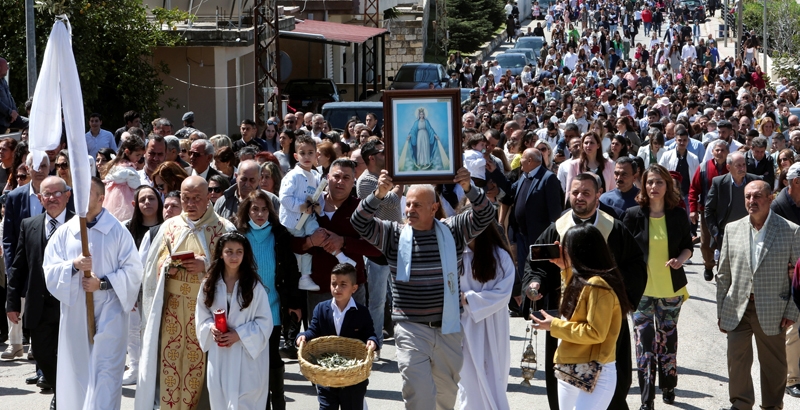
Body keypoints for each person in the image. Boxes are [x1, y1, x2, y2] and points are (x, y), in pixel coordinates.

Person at [351, 167, 496, 410]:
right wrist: (379, 193)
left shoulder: (454, 230)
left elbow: (485, 214)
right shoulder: (393, 234)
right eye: (407, 204)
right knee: (418, 394)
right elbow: (359, 222)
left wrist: (469, 187)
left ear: (434, 208)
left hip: (447, 328)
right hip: (411, 328)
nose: (409, 210)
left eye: (417, 205)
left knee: (445, 399)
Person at [523, 173, 646, 410]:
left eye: (586, 193)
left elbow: (636, 267)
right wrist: (534, 284)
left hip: (599, 322)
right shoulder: (557, 228)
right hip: (566, 321)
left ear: (598, 195)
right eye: (575, 192)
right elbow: (536, 266)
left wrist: (615, 299)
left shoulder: (613, 228)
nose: (579, 198)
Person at [136, 176, 236, 410]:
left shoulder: (223, 228)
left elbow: (236, 268)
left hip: (205, 310)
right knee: (170, 368)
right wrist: (166, 264)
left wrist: (208, 264)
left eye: (196, 199)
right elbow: (152, 268)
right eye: (185, 198)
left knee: (200, 368)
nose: (190, 204)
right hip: (171, 309)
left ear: (208, 197)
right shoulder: (169, 227)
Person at [43, 177, 143, 409]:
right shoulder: (65, 233)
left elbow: (134, 270)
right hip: (77, 313)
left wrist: (103, 283)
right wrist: (74, 266)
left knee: (106, 375)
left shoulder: (117, 231)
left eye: (87, 194)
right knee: (79, 374)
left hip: (110, 314)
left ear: (101, 198)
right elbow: (49, 270)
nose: (81, 199)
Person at [531, 224, 632, 410]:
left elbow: (595, 332)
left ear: (580, 251)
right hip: (571, 367)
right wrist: (565, 268)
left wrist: (554, 326)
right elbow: (574, 312)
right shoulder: (584, 280)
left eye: (566, 247)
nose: (563, 251)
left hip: (596, 371)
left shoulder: (597, 285)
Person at [718, 180, 800, 410]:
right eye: (747, 197)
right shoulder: (732, 229)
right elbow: (723, 273)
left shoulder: (791, 231)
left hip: (774, 308)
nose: (751, 201)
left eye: (757, 196)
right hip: (737, 308)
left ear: (770, 198)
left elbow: (798, 277)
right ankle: (741, 404)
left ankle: (772, 406)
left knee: (774, 365)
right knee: (737, 360)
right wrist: (721, 310)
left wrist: (792, 311)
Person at [622, 165, 693, 409]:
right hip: (641, 292)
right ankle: (646, 399)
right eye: (650, 182)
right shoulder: (632, 214)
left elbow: (687, 246)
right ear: (643, 184)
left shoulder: (678, 215)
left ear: (667, 186)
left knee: (667, 341)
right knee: (644, 344)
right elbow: (623, 252)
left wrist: (679, 260)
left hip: (671, 291)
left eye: (659, 182)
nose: (654, 187)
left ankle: (668, 384)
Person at [5, 176, 74, 410]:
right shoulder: (29, 224)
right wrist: (12, 302)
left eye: (57, 193)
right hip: (38, 303)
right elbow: (18, 266)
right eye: (47, 194)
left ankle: (66, 397)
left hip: (70, 304)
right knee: (43, 354)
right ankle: (59, 388)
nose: (52, 198)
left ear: (67, 195)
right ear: (39, 198)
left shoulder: (80, 225)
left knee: (71, 354)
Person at [236, 189, 300, 409]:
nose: (260, 214)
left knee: (272, 356)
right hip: (246, 307)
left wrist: (293, 303)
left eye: (264, 209)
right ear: (247, 211)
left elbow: (292, 271)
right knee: (253, 359)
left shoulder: (280, 234)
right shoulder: (239, 235)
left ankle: (279, 401)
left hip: (272, 304)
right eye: (255, 209)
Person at [196, 232, 273, 410]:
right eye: (229, 251)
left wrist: (239, 334)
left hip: (246, 355)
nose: (234, 256)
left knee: (245, 402)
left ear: (245, 254)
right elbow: (201, 314)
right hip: (220, 354)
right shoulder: (210, 283)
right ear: (221, 253)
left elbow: (264, 322)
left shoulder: (254, 286)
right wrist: (211, 327)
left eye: (239, 252)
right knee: (220, 399)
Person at [297, 263, 379, 410]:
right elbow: (313, 330)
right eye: (333, 284)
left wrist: (372, 341)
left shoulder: (361, 312)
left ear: (354, 288)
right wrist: (303, 336)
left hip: (353, 377)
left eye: (343, 284)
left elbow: (370, 333)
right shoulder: (321, 308)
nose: (337, 288)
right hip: (327, 377)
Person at [280, 136, 354, 292]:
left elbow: (317, 197)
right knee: (308, 245)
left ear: (316, 155)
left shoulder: (315, 176)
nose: (307, 157)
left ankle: (340, 258)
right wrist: (301, 207)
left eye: (310, 153)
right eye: (302, 153)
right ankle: (305, 277)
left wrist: (319, 210)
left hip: (309, 217)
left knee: (319, 234)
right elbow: (285, 199)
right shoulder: (292, 176)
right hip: (294, 220)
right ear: (296, 156)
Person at [456, 221, 514, 410]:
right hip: (464, 326)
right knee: (469, 383)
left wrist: (468, 299)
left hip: (493, 325)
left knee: (494, 378)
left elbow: (503, 294)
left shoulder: (500, 256)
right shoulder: (455, 255)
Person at [356, 140, 403, 348]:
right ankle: (376, 344)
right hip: (377, 248)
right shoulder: (366, 181)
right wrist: (399, 184)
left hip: (396, 244)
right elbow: (392, 201)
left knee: (400, 298)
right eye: (382, 152)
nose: (387, 155)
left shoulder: (384, 177)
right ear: (372, 158)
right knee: (377, 301)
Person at [705, 152, 760, 270]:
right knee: (725, 268)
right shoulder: (719, 183)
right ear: (729, 167)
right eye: (738, 165)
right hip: (725, 234)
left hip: (750, 232)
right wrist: (715, 233)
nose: (742, 168)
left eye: (744, 165)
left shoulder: (755, 181)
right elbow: (709, 210)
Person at [688, 139, 729, 281]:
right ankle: (708, 265)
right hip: (707, 212)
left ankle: (723, 270)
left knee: (725, 243)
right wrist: (693, 210)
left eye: (723, 150)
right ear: (712, 152)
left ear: (728, 152)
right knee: (706, 244)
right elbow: (693, 189)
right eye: (717, 150)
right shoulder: (703, 167)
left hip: (727, 213)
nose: (720, 152)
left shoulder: (732, 168)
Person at [214, 159, 280, 222]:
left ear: (259, 180)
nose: (247, 184)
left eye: (252, 180)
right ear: (236, 177)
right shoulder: (222, 202)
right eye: (244, 179)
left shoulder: (272, 201)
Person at [102, 136, 145, 221]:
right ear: (127, 152)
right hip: (125, 199)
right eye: (137, 155)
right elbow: (135, 185)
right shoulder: (129, 169)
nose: (139, 158)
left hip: (110, 196)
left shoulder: (115, 164)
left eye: (141, 155)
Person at [0, 58, 29, 134]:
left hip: (11, 117)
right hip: (1, 120)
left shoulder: (3, 80)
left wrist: (14, 112)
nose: (8, 68)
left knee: (31, 123)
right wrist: (10, 112)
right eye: (6, 66)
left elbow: (10, 97)